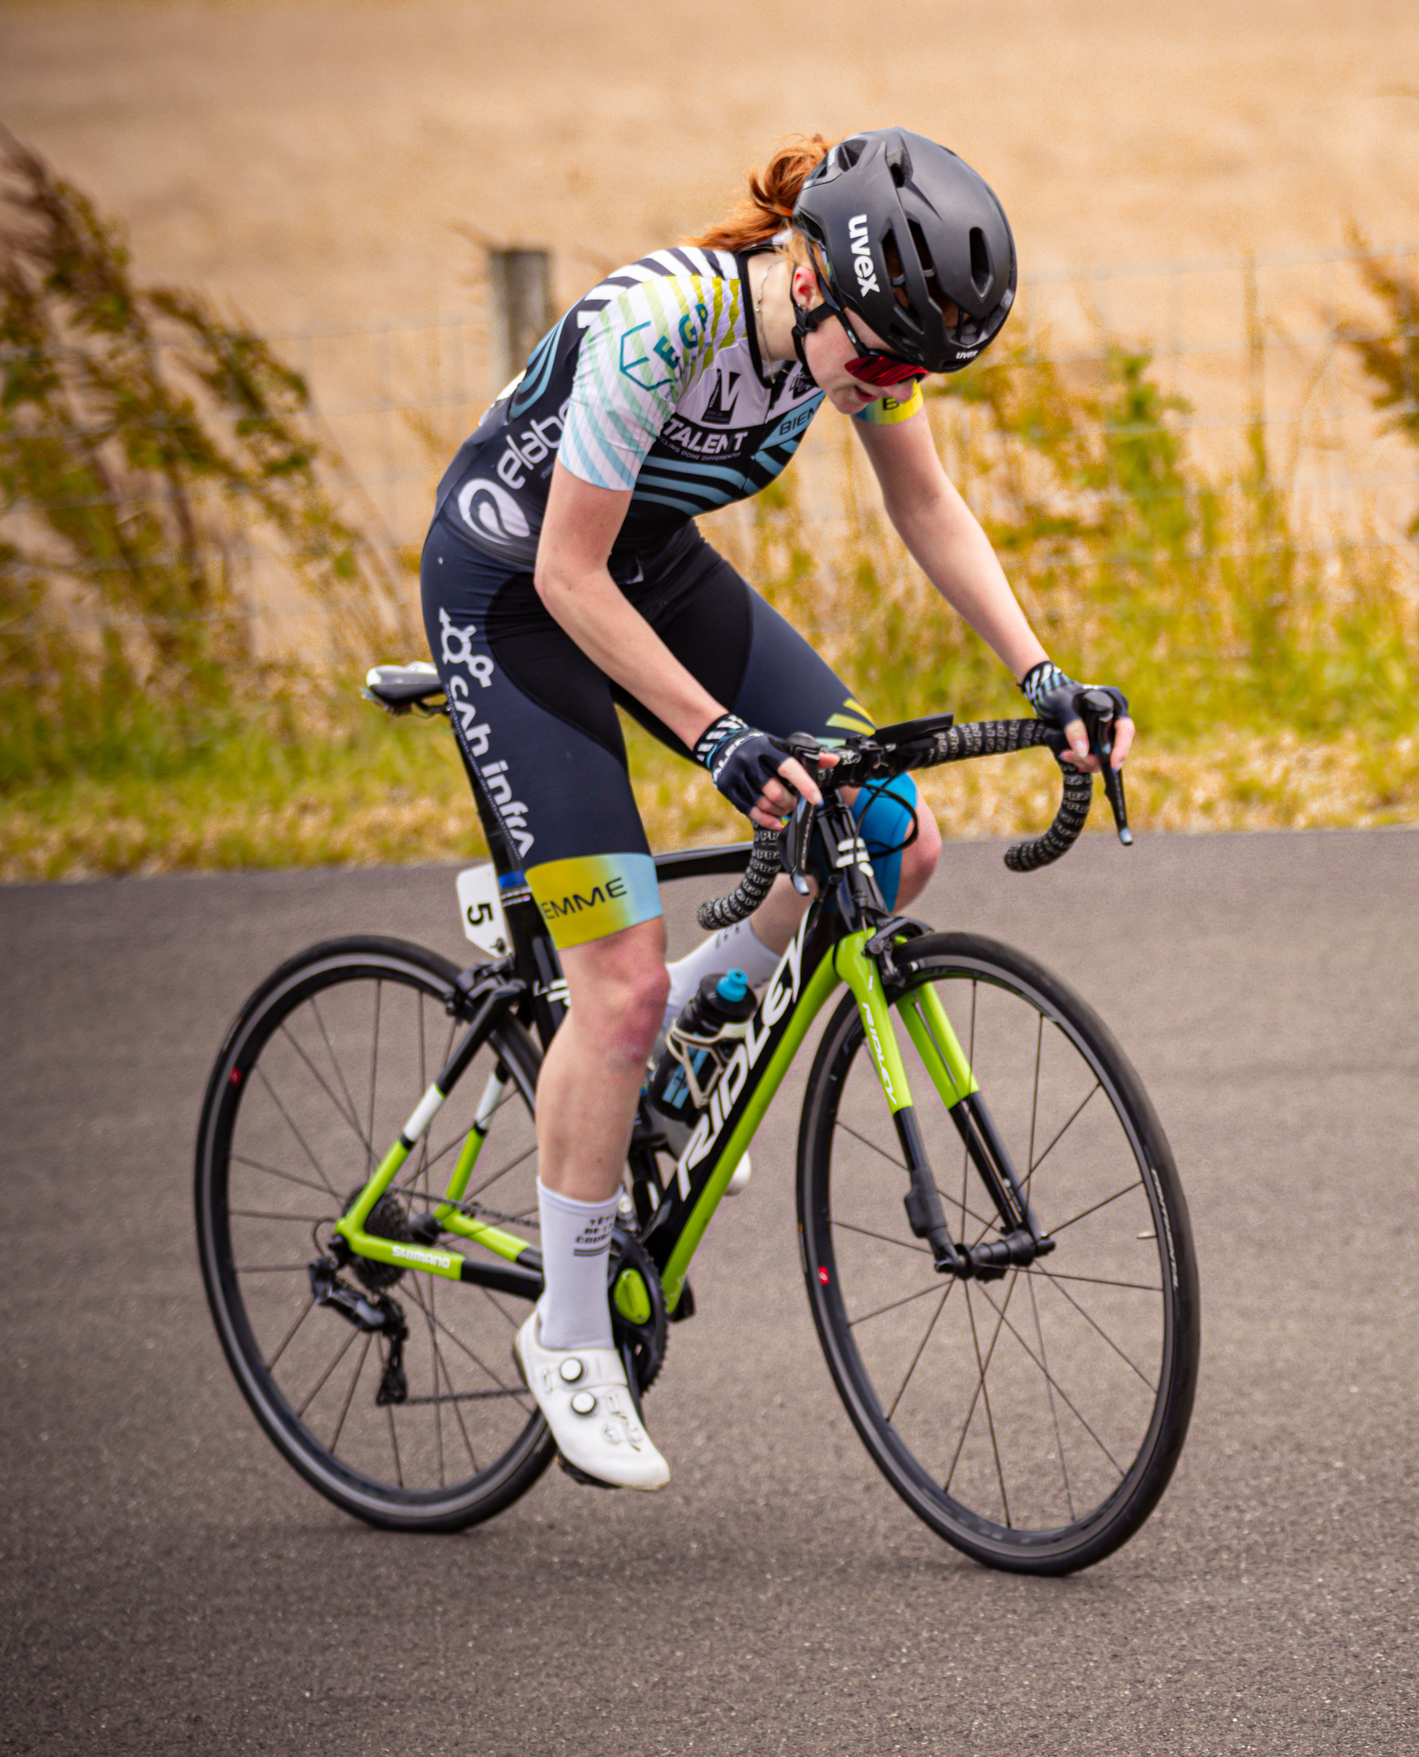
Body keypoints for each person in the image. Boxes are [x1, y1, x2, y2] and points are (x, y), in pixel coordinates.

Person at [419, 127, 1133, 1493]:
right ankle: (568, 1335)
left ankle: (691, 1032)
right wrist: (718, 738)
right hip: (519, 592)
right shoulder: (658, 328)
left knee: (892, 834)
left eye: (916, 369)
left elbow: (929, 508)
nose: (889, 386)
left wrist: (1043, 675)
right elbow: (571, 576)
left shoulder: (867, 332)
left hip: (650, 565)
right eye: (878, 360)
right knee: (612, 991)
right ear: (805, 276)